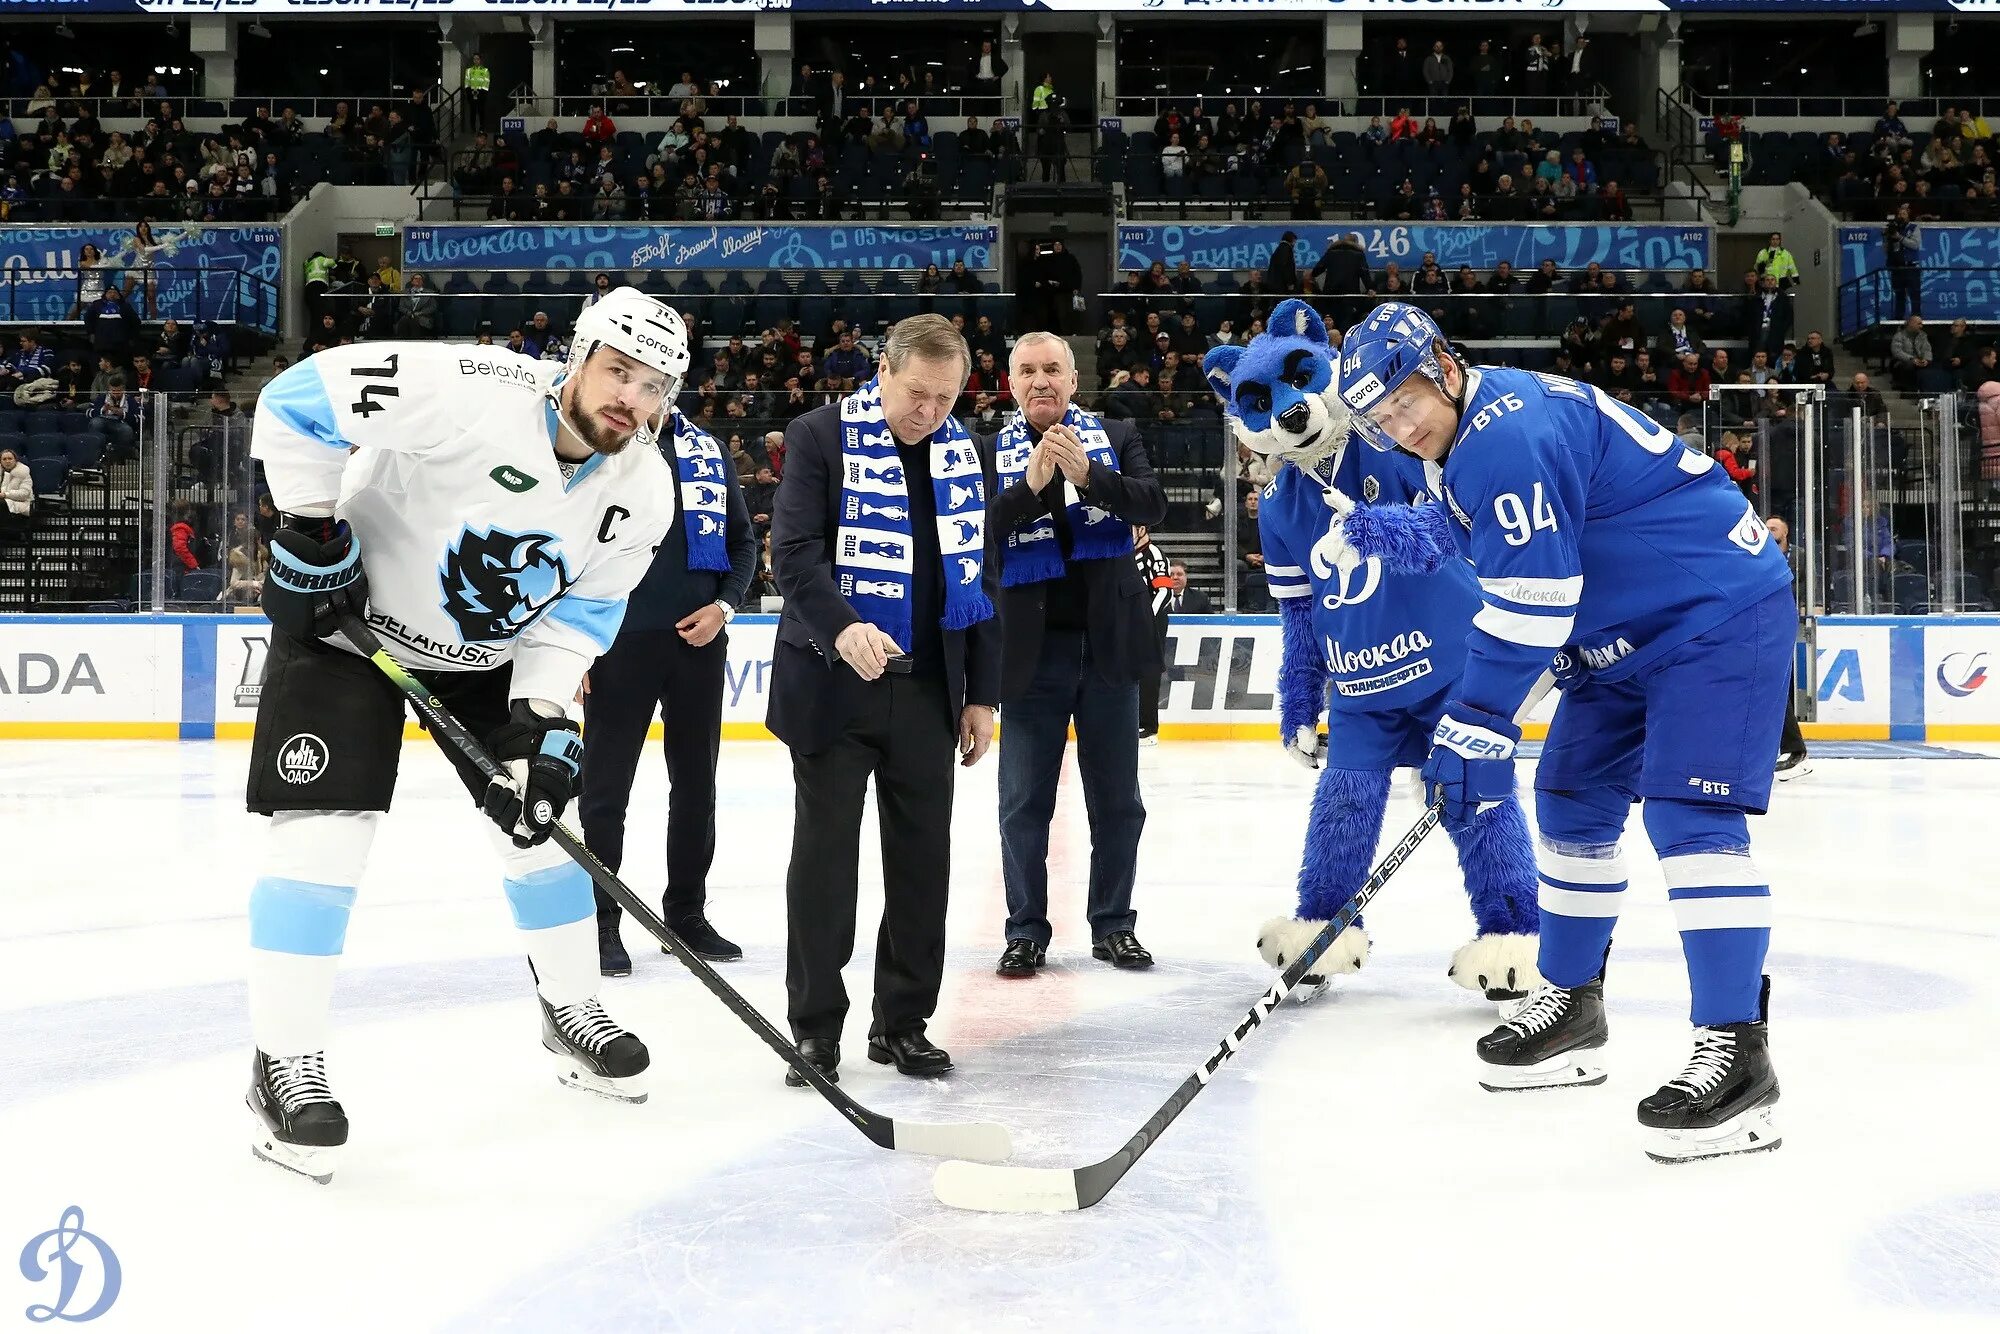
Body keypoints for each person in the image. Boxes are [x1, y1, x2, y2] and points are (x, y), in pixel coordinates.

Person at [239, 288, 691, 1182]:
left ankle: (571, 1009)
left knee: (542, 827)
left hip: (490, 656)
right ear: (578, 354)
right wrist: (310, 526)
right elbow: (294, 402)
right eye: (618, 371)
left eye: (654, 389)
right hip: (348, 632)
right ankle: (282, 1063)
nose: (630, 400)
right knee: (327, 840)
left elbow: (582, 616)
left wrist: (544, 713)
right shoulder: (465, 386)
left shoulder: (644, 491)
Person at [1340, 302, 1796, 1163]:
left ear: (1441, 364)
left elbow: (1533, 602)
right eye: (1381, 419)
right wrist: (1479, 716)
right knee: (1571, 802)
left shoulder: (1503, 438)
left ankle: (1737, 1054)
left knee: (1688, 823)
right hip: (1619, 634)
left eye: (1404, 401)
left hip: (1712, 612)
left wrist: (1475, 722)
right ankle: (1573, 1006)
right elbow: (1509, 568)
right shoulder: (1460, 441)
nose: (1400, 427)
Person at [767, 314, 1001, 1087]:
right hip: (835, 685)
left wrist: (981, 696)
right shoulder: (818, 435)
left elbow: (980, 579)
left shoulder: (963, 453)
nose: (929, 412)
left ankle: (902, 1023)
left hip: (930, 690)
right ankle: (815, 1029)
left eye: (945, 397)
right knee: (825, 866)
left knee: (920, 867)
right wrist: (844, 629)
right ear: (882, 374)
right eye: (915, 394)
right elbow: (793, 554)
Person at [983, 333, 1167, 979]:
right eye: (1028, 370)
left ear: (1071, 378)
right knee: (1023, 805)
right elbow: (976, 534)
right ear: (1010, 382)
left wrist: (1088, 474)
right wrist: (1031, 485)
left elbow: (1153, 503)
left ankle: (1114, 925)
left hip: (1108, 650)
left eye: (1052, 369)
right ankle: (1025, 931)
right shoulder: (984, 451)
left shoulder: (1115, 434)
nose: (1041, 380)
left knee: (1119, 803)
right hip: (1029, 657)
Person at [578, 403, 758, 976]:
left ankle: (686, 914)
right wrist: (572, 645)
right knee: (605, 791)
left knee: (696, 785)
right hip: (615, 643)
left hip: (698, 645)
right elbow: (564, 545)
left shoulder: (706, 449)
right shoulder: (594, 439)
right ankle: (601, 922)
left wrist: (724, 606)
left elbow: (743, 543)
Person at [1764, 515, 1811, 780]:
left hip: (1774, 626)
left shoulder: (1794, 558)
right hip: (1761, 625)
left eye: (1774, 528)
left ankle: (1794, 750)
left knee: (1773, 688)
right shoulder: (1757, 554)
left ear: (1786, 531)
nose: (1769, 531)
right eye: (1766, 527)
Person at [1133, 524, 1173, 743]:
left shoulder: (1154, 554)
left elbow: (1164, 591)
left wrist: (1147, 617)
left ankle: (1148, 727)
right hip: (1131, 622)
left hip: (1151, 623)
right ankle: (1133, 723)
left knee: (1148, 674)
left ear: (1142, 529)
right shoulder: (1126, 554)